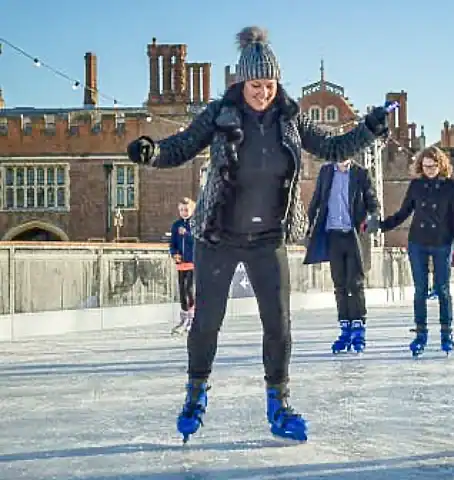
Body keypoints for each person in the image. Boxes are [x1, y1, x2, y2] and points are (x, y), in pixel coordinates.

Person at [125, 26, 390, 443]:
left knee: (279, 324)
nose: (262, 93)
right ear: (241, 82)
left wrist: (370, 128)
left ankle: (278, 403)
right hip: (219, 235)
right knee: (207, 322)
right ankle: (195, 394)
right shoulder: (221, 114)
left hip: (269, 238)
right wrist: (152, 152)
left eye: (268, 85)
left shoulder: (290, 117)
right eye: (255, 85)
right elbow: (181, 146)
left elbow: (333, 149)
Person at [380, 146, 454, 357]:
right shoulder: (416, 186)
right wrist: (381, 225)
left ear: (441, 165)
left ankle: (446, 333)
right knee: (420, 290)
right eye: (426, 166)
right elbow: (403, 213)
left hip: (442, 242)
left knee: (443, 290)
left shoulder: (449, 186)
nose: (429, 169)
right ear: (421, 166)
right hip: (418, 242)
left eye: (433, 166)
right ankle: (420, 333)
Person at [304, 155, 380, 354]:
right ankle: (345, 327)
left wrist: (372, 219)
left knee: (355, 284)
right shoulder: (326, 172)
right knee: (339, 284)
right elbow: (317, 200)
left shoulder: (361, 173)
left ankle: (359, 327)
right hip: (333, 235)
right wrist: (307, 225)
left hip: (353, 235)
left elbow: (373, 202)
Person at [170, 198, 196, 335]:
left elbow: (197, 240)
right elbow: (172, 244)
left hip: (193, 263)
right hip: (181, 264)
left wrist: (187, 233)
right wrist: (174, 254)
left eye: (186, 210)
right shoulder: (176, 225)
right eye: (181, 210)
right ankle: (184, 317)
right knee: (182, 291)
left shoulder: (195, 224)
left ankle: (192, 318)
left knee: (189, 289)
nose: (184, 212)